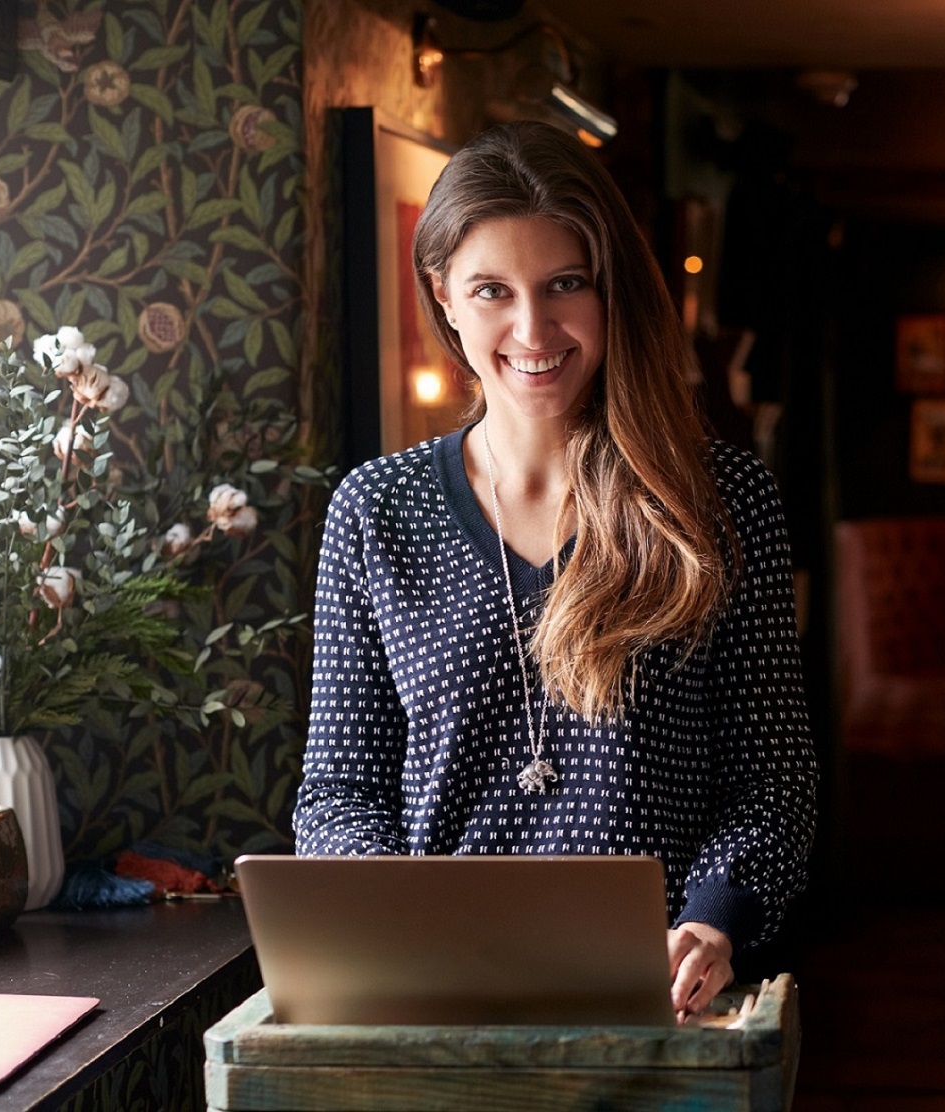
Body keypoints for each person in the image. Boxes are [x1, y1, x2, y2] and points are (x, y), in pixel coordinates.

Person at [293, 120, 817, 1020]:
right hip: (433, 1001)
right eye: (492, 290)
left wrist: (713, 922)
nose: (533, 328)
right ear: (444, 298)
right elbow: (339, 788)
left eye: (565, 284)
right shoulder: (374, 510)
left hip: (661, 1004)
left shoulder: (720, 499)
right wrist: (388, 916)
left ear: (611, 293)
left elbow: (772, 779)